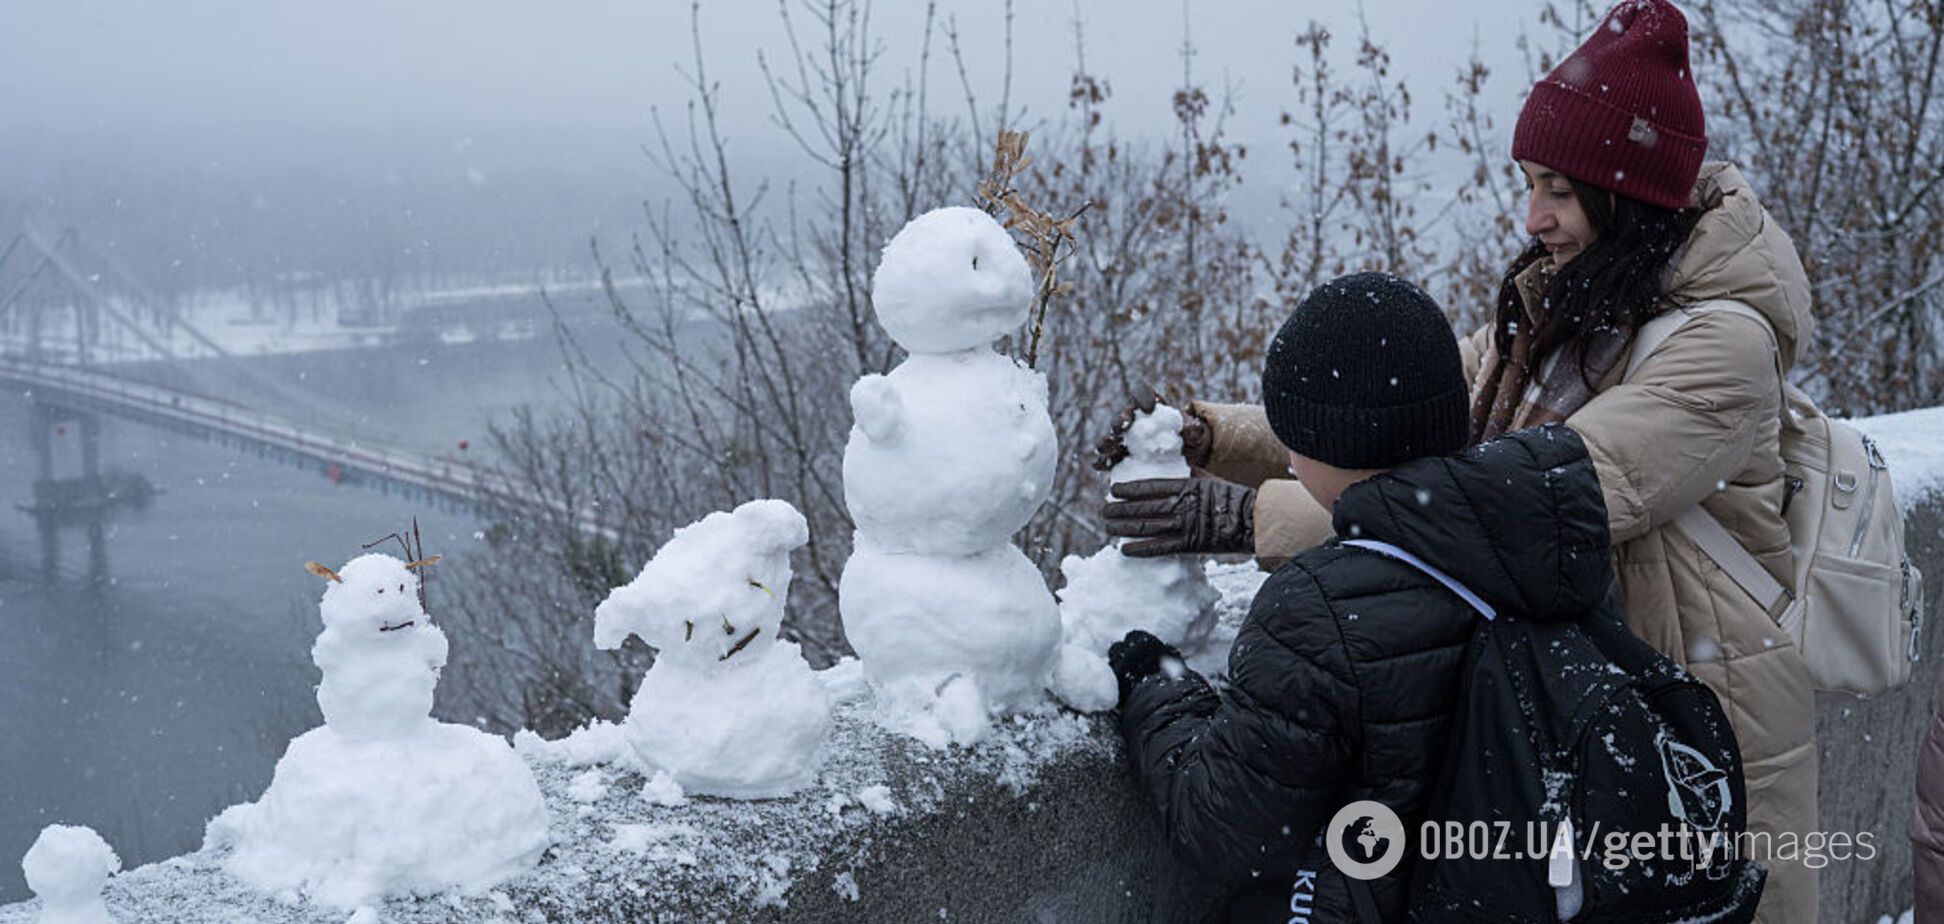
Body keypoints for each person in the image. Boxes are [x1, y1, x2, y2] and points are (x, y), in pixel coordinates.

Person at [1099, 2, 1818, 920]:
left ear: (1628, 195)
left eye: (1559, 191)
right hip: (1570, 727)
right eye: (1530, 184)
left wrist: (1252, 520)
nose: (1535, 216)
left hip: (1682, 732)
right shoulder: (1566, 306)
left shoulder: (1722, 349)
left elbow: (1529, 504)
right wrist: (1212, 435)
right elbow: (1397, 424)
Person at [1113, 271, 1624, 921]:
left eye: (1293, 441)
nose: (1288, 460)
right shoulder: (1551, 548)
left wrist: (1156, 683)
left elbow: (1220, 830)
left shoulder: (1315, 609)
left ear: (1323, 447)